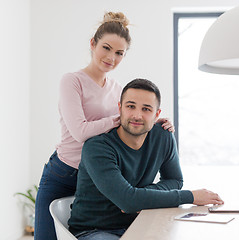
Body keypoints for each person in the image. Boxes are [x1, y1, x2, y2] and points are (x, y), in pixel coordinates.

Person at [34, 12, 174, 240]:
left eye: (120, 53)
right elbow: (80, 132)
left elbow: (128, 124)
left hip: (96, 176)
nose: (112, 57)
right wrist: (117, 119)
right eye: (106, 48)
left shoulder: (117, 88)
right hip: (64, 173)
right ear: (93, 44)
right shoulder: (72, 81)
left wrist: (152, 121)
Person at [68, 78, 224, 239]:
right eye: (130, 106)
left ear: (157, 114)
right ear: (120, 108)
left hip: (142, 222)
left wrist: (139, 196)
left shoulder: (163, 136)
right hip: (95, 230)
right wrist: (191, 196)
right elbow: (128, 202)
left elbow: (175, 180)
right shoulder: (97, 147)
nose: (137, 115)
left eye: (146, 109)